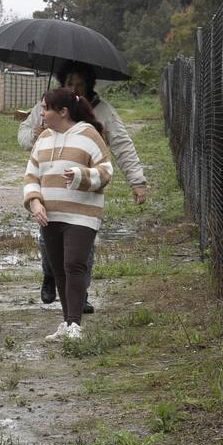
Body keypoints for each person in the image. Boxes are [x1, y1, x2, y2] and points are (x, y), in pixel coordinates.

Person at [17, 62, 147, 311]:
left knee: (81, 249)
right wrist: (33, 135)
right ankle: (50, 274)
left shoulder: (103, 112)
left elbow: (122, 145)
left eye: (80, 85)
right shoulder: (48, 107)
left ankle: (80, 293)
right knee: (48, 242)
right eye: (69, 84)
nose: (75, 89)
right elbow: (24, 137)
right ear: (61, 84)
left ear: (89, 86)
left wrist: (137, 181)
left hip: (84, 195)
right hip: (50, 191)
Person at [23, 87, 112, 340]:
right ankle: (66, 323)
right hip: (50, 215)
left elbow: (106, 172)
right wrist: (35, 202)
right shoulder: (43, 138)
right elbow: (31, 175)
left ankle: (75, 325)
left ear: (62, 112)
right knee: (58, 268)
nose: (41, 113)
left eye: (45, 108)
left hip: (82, 215)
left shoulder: (88, 134)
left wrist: (80, 176)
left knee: (74, 264)